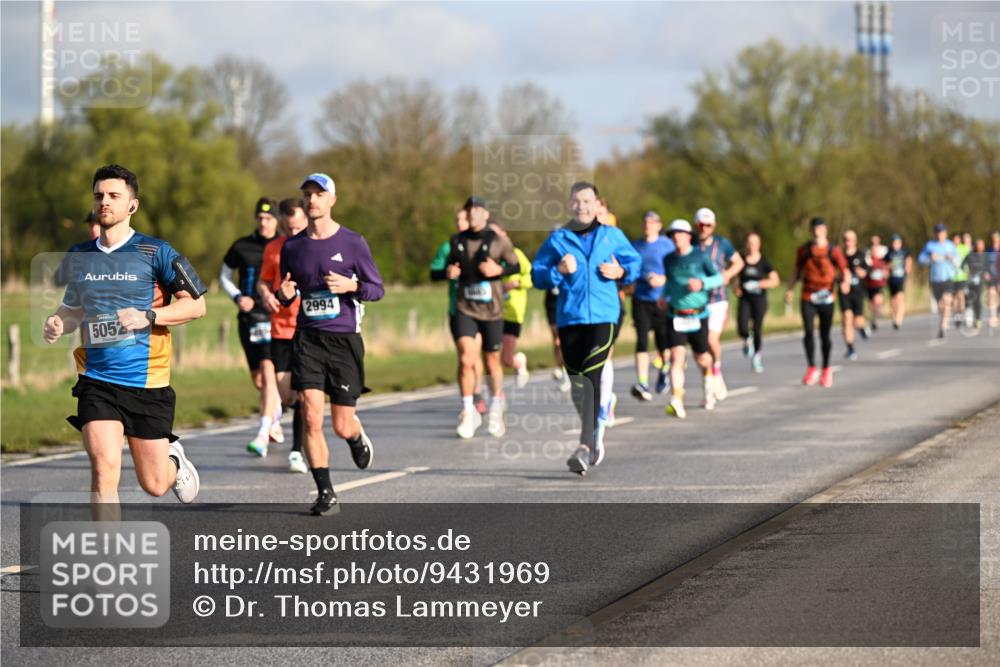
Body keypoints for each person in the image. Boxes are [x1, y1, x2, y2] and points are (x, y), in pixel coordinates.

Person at [43, 164, 205, 513]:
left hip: (147, 382)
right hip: (97, 381)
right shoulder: (80, 256)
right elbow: (73, 309)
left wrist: (148, 316)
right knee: (103, 471)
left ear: (132, 205)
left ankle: (173, 460)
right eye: (99, 195)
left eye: (114, 196)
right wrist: (58, 321)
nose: (105, 202)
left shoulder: (157, 252)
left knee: (154, 484)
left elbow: (197, 306)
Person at [277, 173, 384, 516]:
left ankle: (354, 436)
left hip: (343, 341)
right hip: (307, 338)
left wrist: (351, 287)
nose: (312, 200)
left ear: (332, 200)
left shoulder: (353, 243)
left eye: (319, 194)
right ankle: (326, 493)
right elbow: (286, 290)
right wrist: (284, 295)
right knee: (309, 414)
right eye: (307, 194)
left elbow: (376, 289)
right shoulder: (292, 246)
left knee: (340, 423)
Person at [532, 181, 640, 476]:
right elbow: (537, 275)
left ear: (596, 205)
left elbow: (635, 263)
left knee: (592, 375)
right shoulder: (558, 239)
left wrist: (622, 272)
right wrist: (558, 271)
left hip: (604, 317)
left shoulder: (612, 236)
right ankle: (595, 432)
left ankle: (585, 445)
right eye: (577, 201)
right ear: (570, 205)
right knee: (578, 384)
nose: (583, 206)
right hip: (570, 318)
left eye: (588, 201)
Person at [442, 196, 521, 439]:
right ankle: (469, 411)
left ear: (485, 214)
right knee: (466, 358)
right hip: (466, 307)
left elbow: (516, 266)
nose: (473, 214)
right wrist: (449, 271)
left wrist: (499, 270)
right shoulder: (457, 241)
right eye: (469, 210)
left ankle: (496, 406)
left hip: (492, 310)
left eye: (477, 210)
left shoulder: (498, 240)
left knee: (491, 362)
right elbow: (445, 268)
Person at [221, 197, 282, 454]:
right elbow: (223, 276)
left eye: (268, 218)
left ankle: (262, 433)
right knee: (260, 380)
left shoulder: (285, 246)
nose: (263, 222)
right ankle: (275, 414)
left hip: (274, 317)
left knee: (269, 371)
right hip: (248, 319)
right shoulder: (242, 246)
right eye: (260, 217)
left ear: (277, 220)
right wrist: (237, 297)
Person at [256, 198, 309, 471]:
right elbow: (264, 280)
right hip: (280, 328)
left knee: (303, 393)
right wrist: (266, 294)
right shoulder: (274, 248)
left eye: (297, 226)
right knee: (287, 395)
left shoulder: (315, 246)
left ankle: (298, 451)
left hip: (310, 328)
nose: (293, 231)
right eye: (288, 227)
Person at [659, 220, 725, 418]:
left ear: (689, 235)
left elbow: (719, 278)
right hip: (676, 314)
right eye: (673, 234)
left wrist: (702, 283)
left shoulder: (700, 256)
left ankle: (709, 376)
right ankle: (676, 399)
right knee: (676, 357)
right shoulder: (669, 259)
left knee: (702, 357)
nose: (677, 238)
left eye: (680, 233)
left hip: (698, 314)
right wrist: (663, 295)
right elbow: (670, 282)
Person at [431, 209, 486, 413]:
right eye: (457, 220)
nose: (460, 223)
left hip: (482, 309)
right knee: (465, 356)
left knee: (475, 356)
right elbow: (433, 273)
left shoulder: (485, 243)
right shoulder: (448, 246)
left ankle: (477, 392)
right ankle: (467, 403)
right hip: (458, 308)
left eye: (464, 219)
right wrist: (446, 272)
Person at [786, 217, 850, 388]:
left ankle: (826, 369)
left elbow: (845, 270)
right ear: (811, 231)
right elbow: (796, 271)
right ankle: (811, 367)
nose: (817, 232)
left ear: (825, 231)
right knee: (808, 332)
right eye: (814, 229)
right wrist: (790, 289)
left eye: (820, 228)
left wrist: (845, 283)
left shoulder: (833, 250)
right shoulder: (804, 250)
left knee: (824, 334)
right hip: (808, 295)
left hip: (827, 295)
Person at [695, 207, 743, 403]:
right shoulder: (690, 244)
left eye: (707, 225)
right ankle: (709, 384)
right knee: (699, 347)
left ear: (713, 226)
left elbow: (738, 262)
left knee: (711, 339)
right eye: (701, 225)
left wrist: (727, 276)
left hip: (717, 299)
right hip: (697, 299)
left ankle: (716, 371)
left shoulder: (722, 244)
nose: (704, 228)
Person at [629, 211, 675, 401]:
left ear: (658, 225)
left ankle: (664, 371)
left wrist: (663, 278)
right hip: (641, 298)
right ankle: (643, 382)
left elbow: (676, 267)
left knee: (662, 341)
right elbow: (631, 269)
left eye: (651, 222)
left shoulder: (668, 245)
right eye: (645, 222)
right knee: (641, 340)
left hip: (663, 300)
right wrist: (645, 277)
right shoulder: (636, 246)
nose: (647, 225)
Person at [491, 222, 533, 388]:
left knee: (507, 360)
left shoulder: (516, 254)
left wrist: (517, 282)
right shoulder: (489, 257)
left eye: (495, 233)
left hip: (513, 311)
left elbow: (532, 276)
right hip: (492, 311)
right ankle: (496, 396)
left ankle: (519, 362)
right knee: (492, 357)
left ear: (504, 233)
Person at [735, 232, 780, 373]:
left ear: (759, 245)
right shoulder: (741, 260)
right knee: (742, 326)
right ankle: (747, 339)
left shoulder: (764, 262)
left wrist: (760, 284)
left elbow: (775, 280)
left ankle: (757, 356)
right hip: (745, 299)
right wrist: (735, 287)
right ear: (746, 244)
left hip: (759, 299)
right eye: (749, 243)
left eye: (754, 243)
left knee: (757, 328)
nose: (752, 246)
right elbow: (732, 276)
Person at [918, 223, 960, 339]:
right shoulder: (930, 246)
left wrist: (952, 259)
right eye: (938, 232)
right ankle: (944, 320)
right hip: (935, 279)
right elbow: (920, 259)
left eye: (942, 232)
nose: (940, 235)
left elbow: (959, 261)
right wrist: (929, 258)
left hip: (948, 277)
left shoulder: (951, 246)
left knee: (947, 300)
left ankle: (943, 325)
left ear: (945, 233)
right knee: (940, 304)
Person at [840, 230, 870, 360]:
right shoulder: (839, 256)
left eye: (850, 239)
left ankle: (862, 328)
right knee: (847, 318)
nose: (848, 242)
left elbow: (868, 270)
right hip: (844, 292)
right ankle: (850, 348)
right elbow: (833, 272)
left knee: (857, 321)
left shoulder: (861, 255)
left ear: (855, 241)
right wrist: (840, 280)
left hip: (858, 292)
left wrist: (863, 272)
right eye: (846, 239)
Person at [884, 233, 912, 330]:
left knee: (900, 298)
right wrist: (888, 266)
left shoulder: (904, 252)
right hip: (892, 279)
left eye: (897, 242)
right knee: (893, 301)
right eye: (894, 242)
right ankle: (894, 317)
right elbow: (885, 266)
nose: (895, 244)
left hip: (901, 278)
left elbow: (909, 262)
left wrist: (908, 268)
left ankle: (898, 320)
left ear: (900, 243)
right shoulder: (888, 253)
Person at [962, 238, 991, 329]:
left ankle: (978, 319)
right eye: (978, 244)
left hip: (980, 281)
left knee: (977, 300)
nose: (980, 246)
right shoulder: (970, 255)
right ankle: (968, 317)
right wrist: (966, 272)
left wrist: (987, 273)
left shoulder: (985, 256)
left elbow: (988, 267)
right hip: (970, 281)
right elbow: (963, 265)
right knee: (969, 299)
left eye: (981, 245)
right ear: (975, 245)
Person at [864, 234, 889, 331]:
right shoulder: (867, 256)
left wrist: (886, 271)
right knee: (871, 302)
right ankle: (873, 317)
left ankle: (876, 318)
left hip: (879, 283)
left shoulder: (883, 254)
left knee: (878, 300)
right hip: (869, 283)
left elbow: (887, 265)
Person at [987, 231, 1000, 327]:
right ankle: (993, 317)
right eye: (994, 240)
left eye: (997, 239)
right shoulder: (989, 250)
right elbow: (985, 263)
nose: (995, 241)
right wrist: (986, 272)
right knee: (992, 294)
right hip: (992, 276)